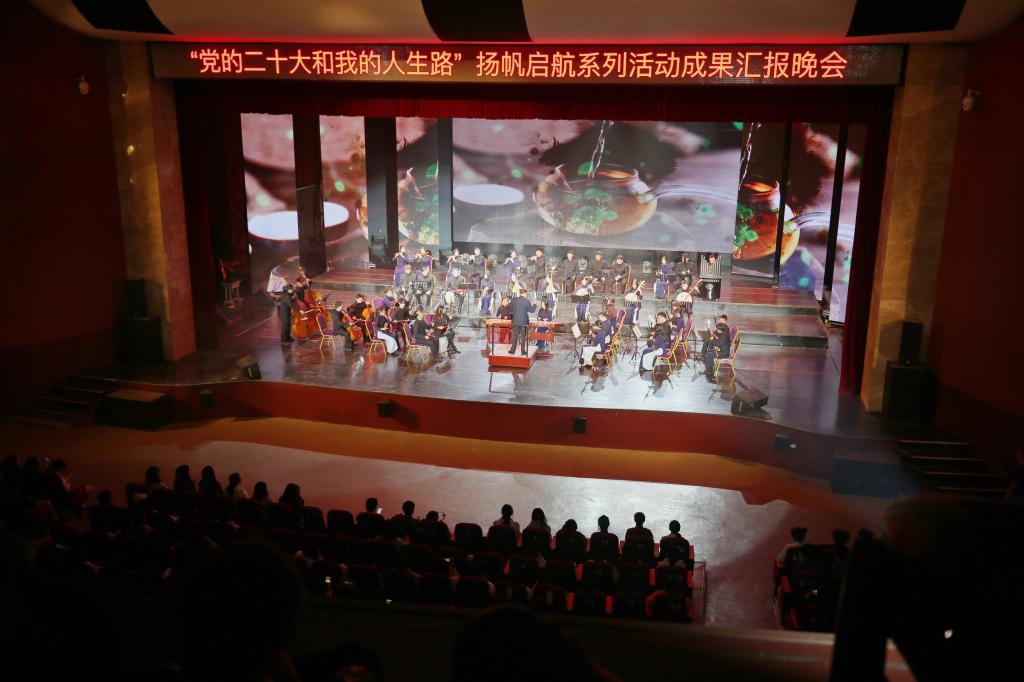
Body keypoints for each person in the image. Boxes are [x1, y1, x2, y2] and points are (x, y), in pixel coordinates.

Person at [509, 290, 536, 356]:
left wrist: (515, 312)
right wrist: (535, 305)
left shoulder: (514, 300)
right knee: (523, 337)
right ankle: (522, 351)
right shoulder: (527, 301)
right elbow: (532, 310)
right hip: (523, 322)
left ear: (520, 293)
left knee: (515, 336)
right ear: (524, 294)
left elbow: (510, 308)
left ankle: (512, 351)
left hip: (515, 321)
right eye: (526, 293)